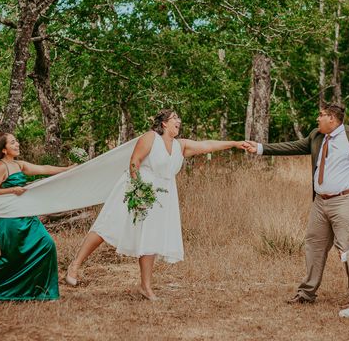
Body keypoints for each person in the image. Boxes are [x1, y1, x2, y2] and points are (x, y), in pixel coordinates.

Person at [65, 109, 247, 301]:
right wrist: (138, 190)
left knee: (150, 237)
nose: (179, 120)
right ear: (164, 124)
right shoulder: (151, 137)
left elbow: (207, 145)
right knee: (109, 225)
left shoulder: (181, 146)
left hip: (161, 197)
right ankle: (75, 265)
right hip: (136, 189)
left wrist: (235, 144)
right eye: (175, 117)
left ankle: (145, 287)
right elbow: (134, 162)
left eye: (179, 117)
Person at [245, 103, 349, 304]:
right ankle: (306, 294)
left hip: (348, 201)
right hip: (320, 201)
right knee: (314, 245)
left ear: (332, 118)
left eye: (321, 115)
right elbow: (294, 146)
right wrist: (260, 148)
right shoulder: (317, 136)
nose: (317, 119)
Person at [0, 132, 73, 305]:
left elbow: (44, 168)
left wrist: (67, 170)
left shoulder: (19, 164)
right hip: (10, 218)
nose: (17, 144)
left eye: (17, 141)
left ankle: (43, 291)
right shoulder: (1, 167)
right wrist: (12, 190)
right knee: (13, 255)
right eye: (13, 142)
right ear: (3, 150)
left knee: (46, 244)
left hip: (27, 214)